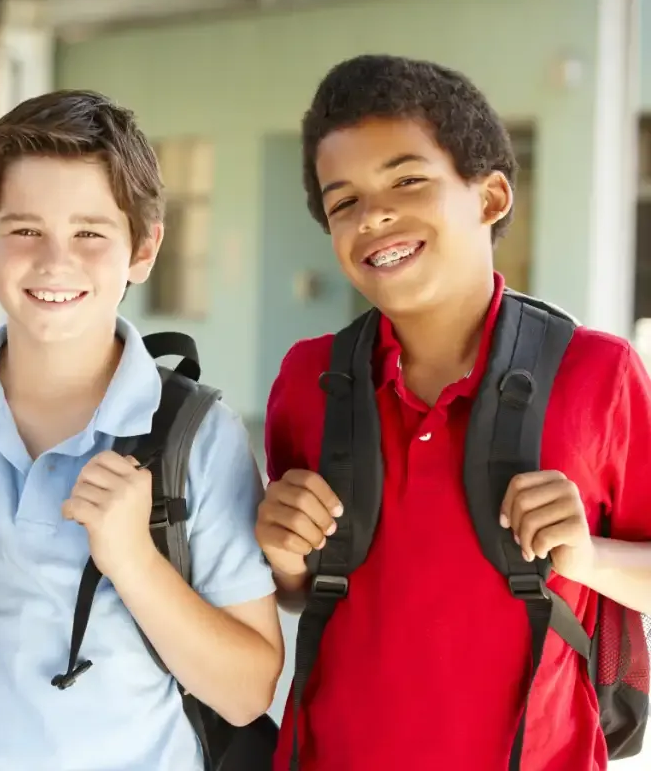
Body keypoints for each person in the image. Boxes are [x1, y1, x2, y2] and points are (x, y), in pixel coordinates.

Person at [0, 89, 284, 771]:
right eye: (24, 229)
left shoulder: (196, 437)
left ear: (143, 250)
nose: (56, 261)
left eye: (91, 233)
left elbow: (247, 692)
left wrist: (136, 562)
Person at [255, 53, 651, 771]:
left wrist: (589, 558)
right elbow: (305, 590)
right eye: (343, 201)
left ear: (491, 197)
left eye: (408, 180)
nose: (373, 213)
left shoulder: (599, 374)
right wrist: (283, 559)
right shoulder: (309, 378)